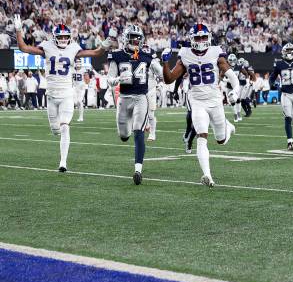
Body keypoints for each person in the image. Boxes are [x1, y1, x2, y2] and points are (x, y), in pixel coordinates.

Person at [14, 14, 112, 172]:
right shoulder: (46, 47)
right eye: (61, 37)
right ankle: (59, 140)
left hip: (67, 94)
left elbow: (95, 53)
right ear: (54, 37)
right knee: (55, 130)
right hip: (51, 96)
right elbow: (23, 48)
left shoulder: (73, 48)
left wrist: (105, 45)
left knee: (65, 126)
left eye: (66, 36)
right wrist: (18, 30)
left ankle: (63, 162)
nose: (64, 39)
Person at [162, 23, 238, 187]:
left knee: (221, 140)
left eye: (204, 36)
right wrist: (165, 63)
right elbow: (169, 79)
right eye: (198, 37)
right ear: (192, 39)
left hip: (215, 100)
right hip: (196, 101)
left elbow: (231, 74)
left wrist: (236, 90)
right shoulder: (185, 53)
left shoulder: (216, 51)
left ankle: (228, 127)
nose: (202, 40)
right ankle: (207, 175)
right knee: (201, 136)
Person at [107, 24, 163, 185]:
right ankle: (128, 130)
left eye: (138, 38)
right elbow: (109, 80)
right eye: (132, 37)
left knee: (138, 131)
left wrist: (164, 65)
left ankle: (138, 170)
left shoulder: (147, 55)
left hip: (141, 97)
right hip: (124, 98)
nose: (135, 40)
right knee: (124, 136)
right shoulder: (116, 55)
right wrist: (118, 80)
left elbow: (160, 72)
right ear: (125, 38)